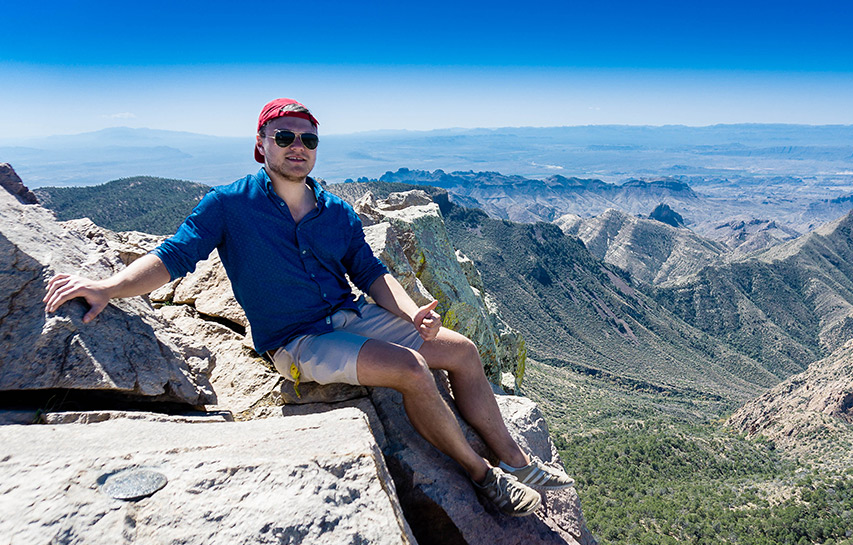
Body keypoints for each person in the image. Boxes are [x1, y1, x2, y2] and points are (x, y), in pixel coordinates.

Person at [43, 98, 571, 517]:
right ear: (261, 144)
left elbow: (369, 271)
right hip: (299, 340)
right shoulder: (230, 205)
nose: (298, 147)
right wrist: (108, 288)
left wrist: (411, 313)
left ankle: (519, 462)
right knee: (411, 369)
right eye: (285, 137)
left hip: (349, 315)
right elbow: (172, 257)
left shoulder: (335, 210)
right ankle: (484, 478)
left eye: (309, 139)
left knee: (463, 352)